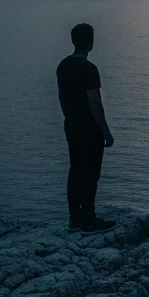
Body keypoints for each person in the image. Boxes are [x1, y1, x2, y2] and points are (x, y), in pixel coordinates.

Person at [56, 23, 116, 234]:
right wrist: (106, 132)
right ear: (91, 43)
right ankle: (89, 222)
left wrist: (69, 119)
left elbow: (62, 98)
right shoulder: (90, 70)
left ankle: (74, 219)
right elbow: (95, 105)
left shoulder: (62, 66)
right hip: (89, 129)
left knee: (75, 171)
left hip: (71, 125)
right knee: (90, 174)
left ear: (73, 41)